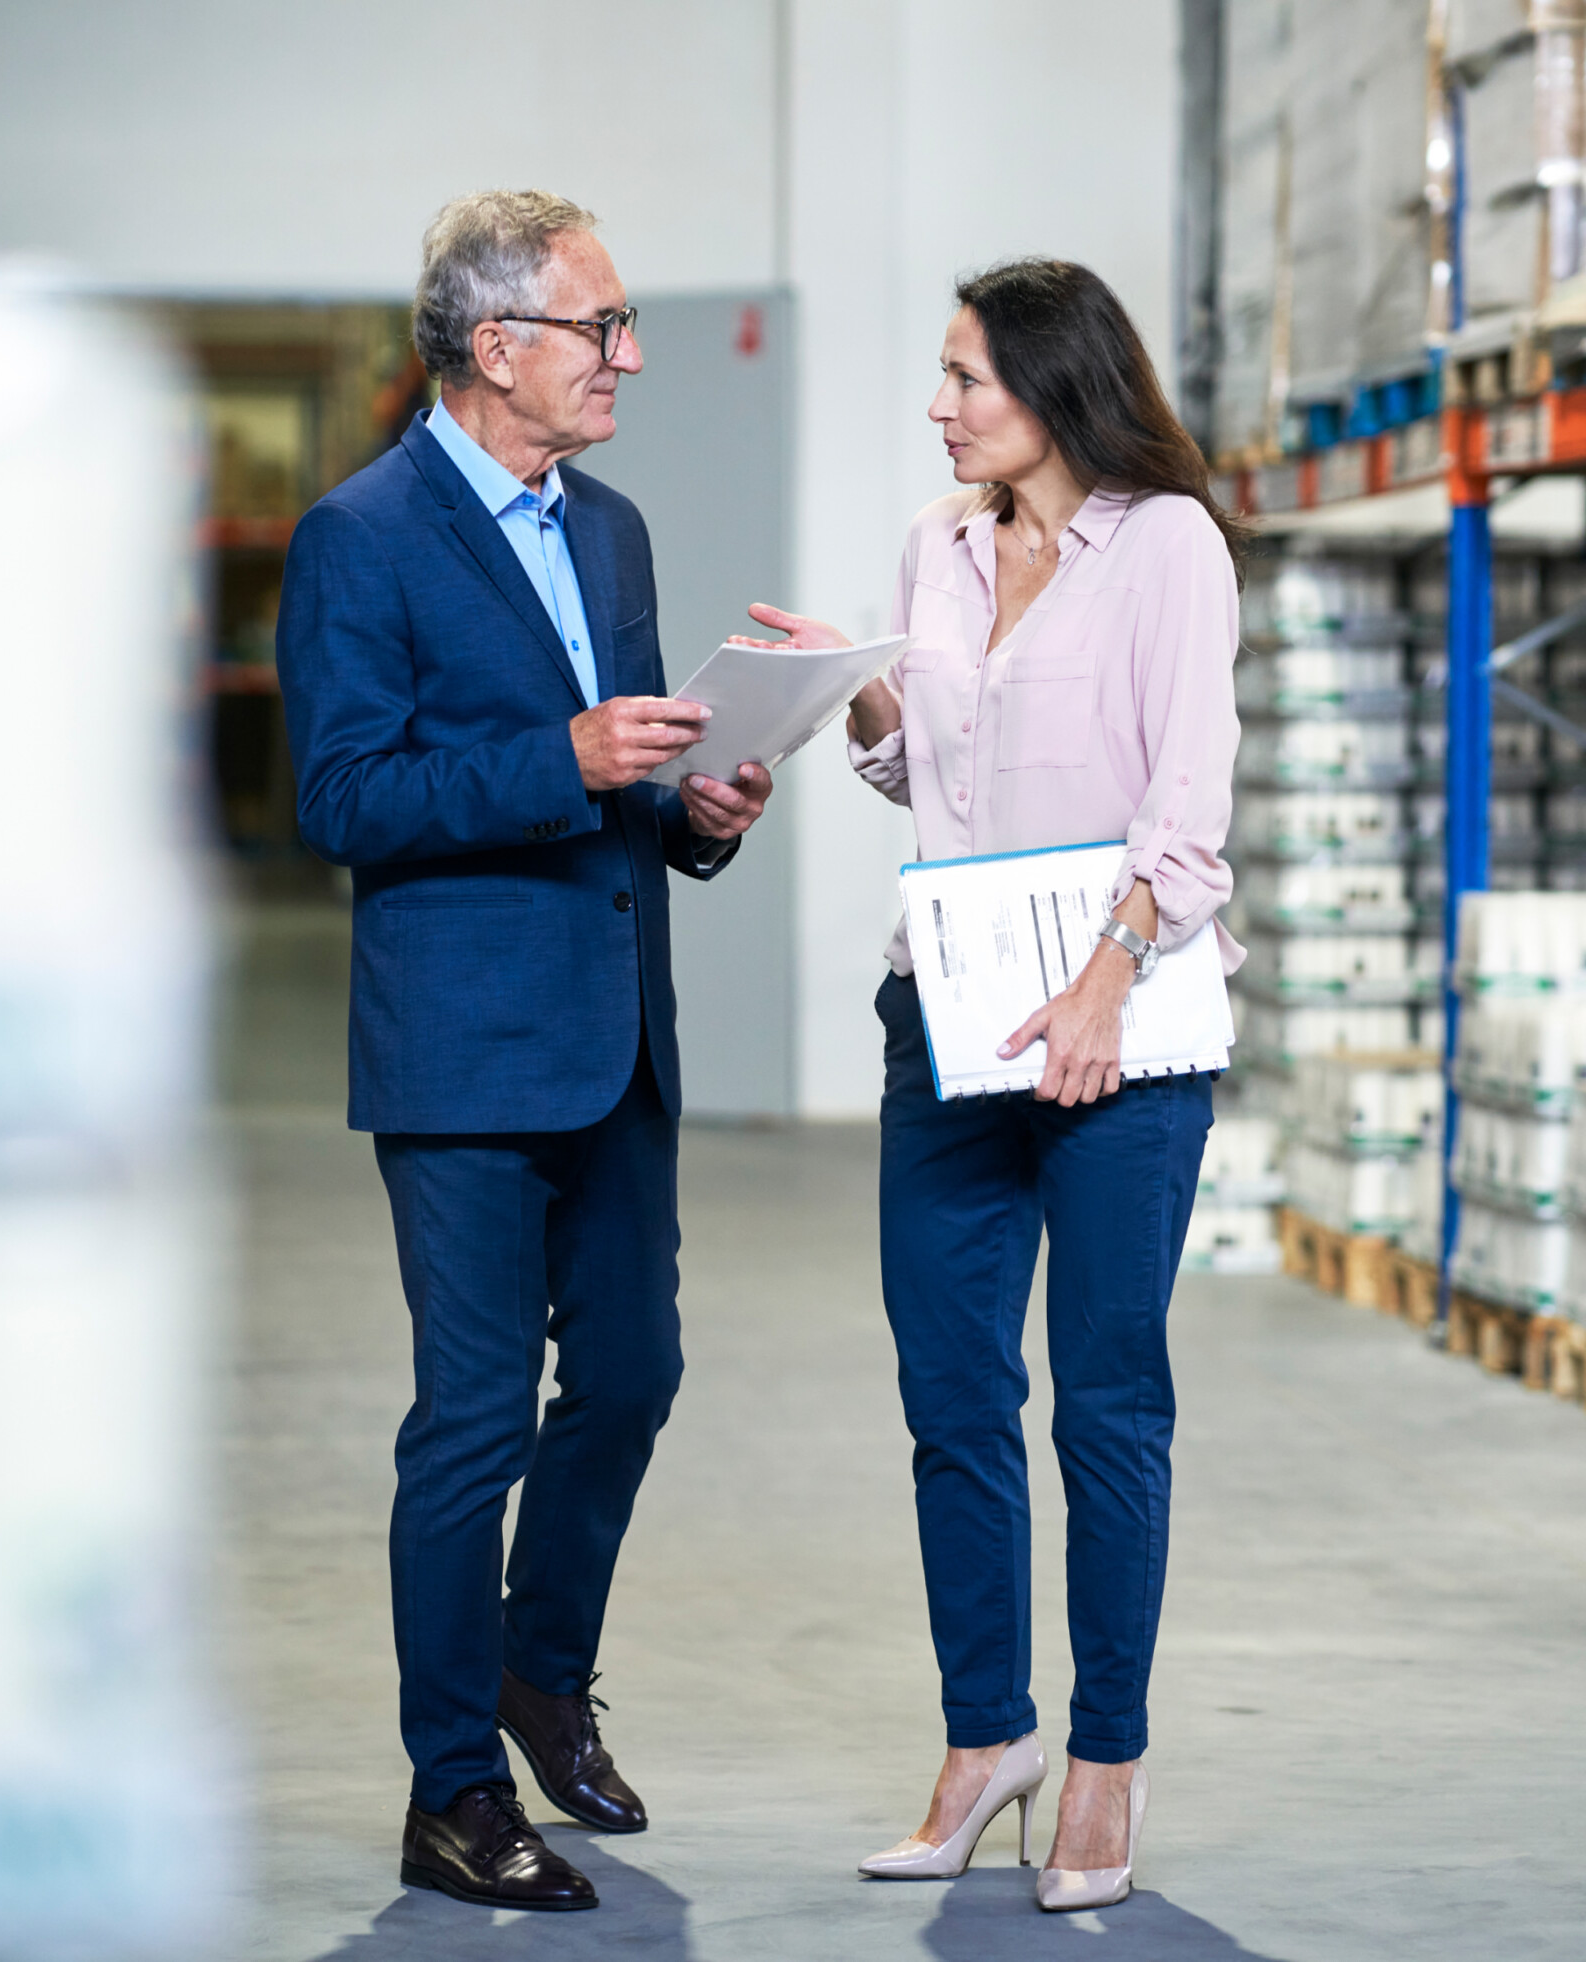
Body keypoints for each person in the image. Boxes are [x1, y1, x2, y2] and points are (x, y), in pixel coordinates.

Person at [275, 188, 774, 1915]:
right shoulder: (365, 534)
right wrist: (562, 755)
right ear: (499, 349)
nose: (628, 357)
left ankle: (539, 1668)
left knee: (632, 1377)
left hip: (617, 1037)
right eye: (602, 328)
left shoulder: (613, 530)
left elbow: (620, 784)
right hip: (465, 1053)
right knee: (470, 1422)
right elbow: (343, 797)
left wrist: (694, 806)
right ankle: (451, 1788)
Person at [741, 258, 1245, 1914]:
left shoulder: (1168, 544)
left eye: (967, 378)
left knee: (1105, 1400)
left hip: (1119, 1018)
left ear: (1056, 386)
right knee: (953, 1392)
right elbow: (925, 777)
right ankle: (985, 1741)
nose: (942, 406)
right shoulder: (937, 548)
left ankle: (1105, 1756)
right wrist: (860, 687)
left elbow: (1188, 794)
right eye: (942, 378)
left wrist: (1108, 973)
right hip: (947, 1012)